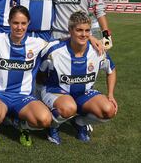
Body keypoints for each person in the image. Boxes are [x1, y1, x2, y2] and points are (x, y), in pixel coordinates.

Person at [38, 11, 117, 145]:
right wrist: (39, 93)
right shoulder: (55, 50)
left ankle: (80, 122)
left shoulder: (96, 51)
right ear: (70, 30)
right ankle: (53, 126)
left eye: (87, 31)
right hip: (56, 90)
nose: (84, 34)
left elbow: (111, 70)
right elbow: (40, 71)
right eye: (79, 30)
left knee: (109, 110)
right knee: (69, 107)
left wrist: (110, 95)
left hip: (83, 93)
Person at [0, 6, 52, 147]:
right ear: (9, 22)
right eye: (15, 23)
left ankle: (22, 125)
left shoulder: (38, 44)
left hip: (23, 96)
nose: (19, 27)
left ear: (28, 24)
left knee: (44, 120)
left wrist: (91, 38)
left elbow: (63, 43)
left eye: (23, 23)